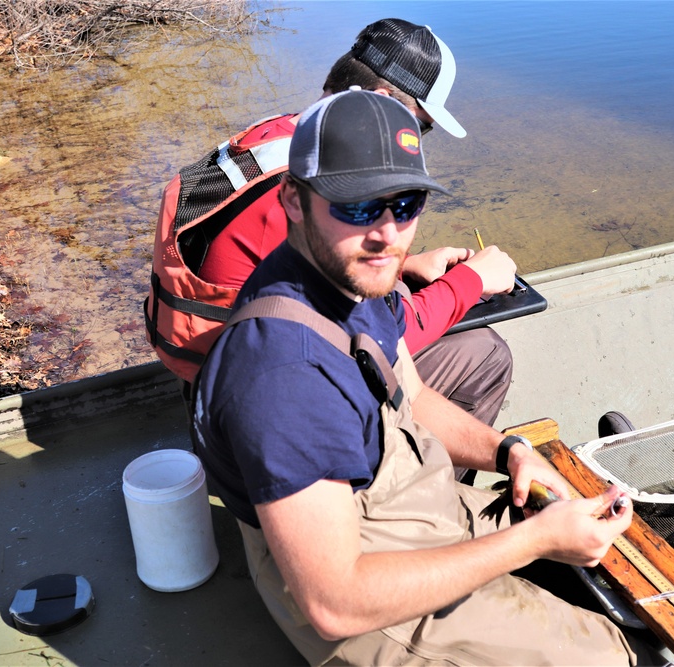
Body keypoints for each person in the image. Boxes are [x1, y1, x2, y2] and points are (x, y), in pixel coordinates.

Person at [191, 90, 650, 666]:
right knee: (610, 655)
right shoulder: (285, 377)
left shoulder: (351, 283)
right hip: (364, 610)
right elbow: (335, 603)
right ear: (293, 199)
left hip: (410, 511)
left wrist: (507, 451)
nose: (387, 235)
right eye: (357, 207)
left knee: (589, 532)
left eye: (404, 204)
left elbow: (412, 394)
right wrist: (534, 541)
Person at [146, 20, 516, 452]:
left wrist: (409, 265)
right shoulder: (310, 189)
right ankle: (421, 489)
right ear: (379, 101)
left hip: (213, 362)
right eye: (421, 124)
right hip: (255, 398)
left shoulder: (286, 133)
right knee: (487, 353)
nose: (418, 140)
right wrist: (472, 280)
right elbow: (380, 340)